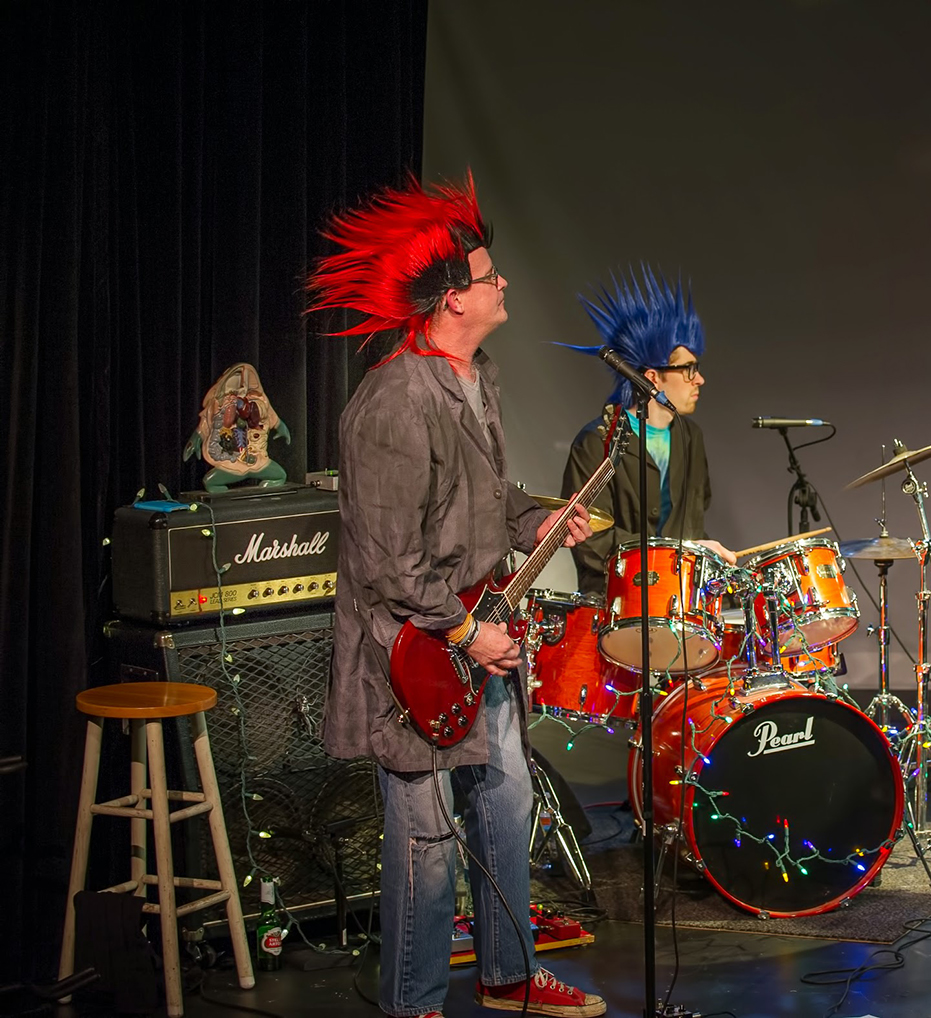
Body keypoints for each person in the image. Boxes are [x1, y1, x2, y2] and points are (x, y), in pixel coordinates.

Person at [309, 173, 605, 1018]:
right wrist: (467, 630)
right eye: (487, 275)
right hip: (417, 659)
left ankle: (508, 977)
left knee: (506, 807)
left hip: (476, 639)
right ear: (448, 300)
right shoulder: (396, 402)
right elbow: (391, 561)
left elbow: (482, 502)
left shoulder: (480, 379)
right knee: (426, 844)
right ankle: (416, 1003)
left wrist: (542, 517)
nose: (502, 282)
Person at [560, 267, 736, 601]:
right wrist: (674, 550)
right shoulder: (597, 441)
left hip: (679, 604)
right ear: (653, 378)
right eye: (688, 370)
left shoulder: (690, 438)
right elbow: (589, 539)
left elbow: (692, 525)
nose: (699, 380)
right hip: (617, 603)